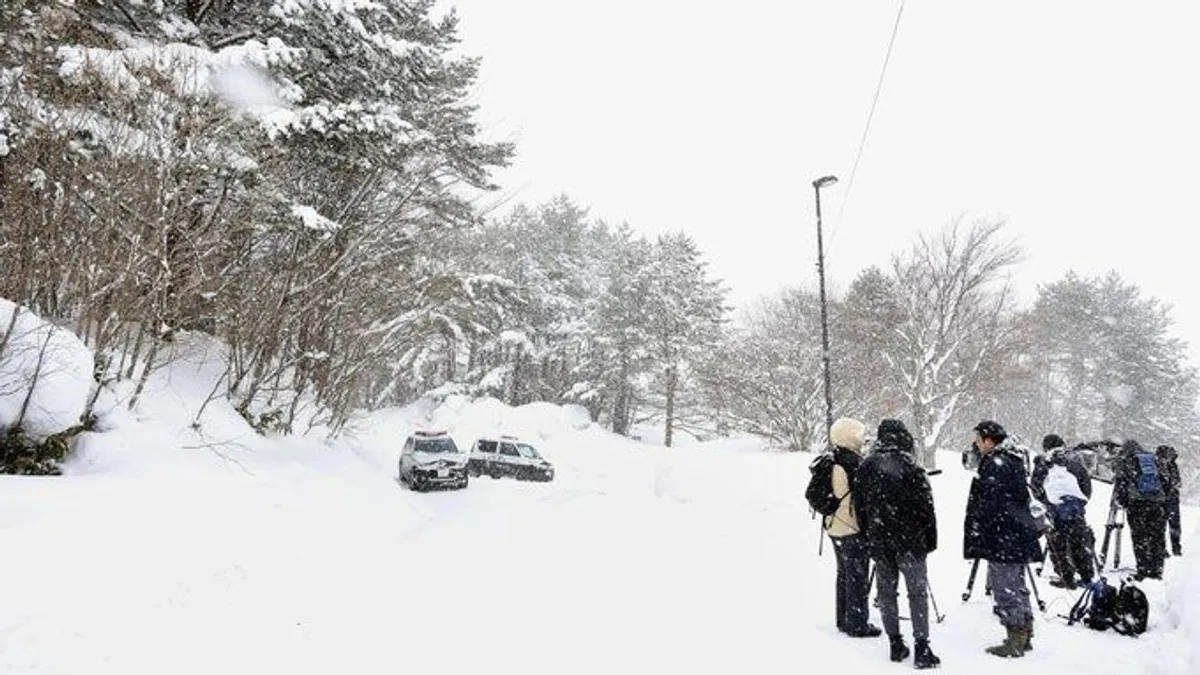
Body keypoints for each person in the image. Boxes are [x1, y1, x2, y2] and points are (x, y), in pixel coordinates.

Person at [855, 419, 940, 669]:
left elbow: (860, 507)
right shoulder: (911, 466)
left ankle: (895, 643)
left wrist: (869, 533)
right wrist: (929, 541)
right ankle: (922, 647)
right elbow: (927, 509)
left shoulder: (866, 467)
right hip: (911, 542)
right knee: (917, 594)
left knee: (887, 594)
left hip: (881, 542)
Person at [964, 420, 1043, 658]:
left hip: (1004, 536)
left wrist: (981, 528)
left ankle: (1015, 640)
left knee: (1005, 587)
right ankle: (1025, 632)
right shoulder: (1012, 459)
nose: (977, 445)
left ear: (989, 440)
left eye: (979, 440)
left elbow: (990, 503)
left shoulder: (997, 465)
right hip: (1015, 533)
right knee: (1017, 585)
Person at [824, 417, 882, 637]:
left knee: (843, 574)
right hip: (852, 528)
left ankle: (843, 618)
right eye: (860, 434)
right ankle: (857, 623)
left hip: (834, 527)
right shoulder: (853, 462)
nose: (863, 438)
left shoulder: (831, 458)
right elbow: (865, 496)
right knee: (857, 576)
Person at [1030, 433, 1096, 589]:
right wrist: (1078, 505)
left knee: (1058, 545)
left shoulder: (1043, 465)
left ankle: (1066, 577)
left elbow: (1035, 488)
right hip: (1076, 511)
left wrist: (1047, 504)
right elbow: (1086, 488)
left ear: (1046, 448)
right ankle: (1087, 576)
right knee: (1080, 542)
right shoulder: (1074, 464)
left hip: (1054, 511)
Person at [1113, 439, 1168, 579]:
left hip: (1137, 504)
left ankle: (1143, 569)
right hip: (1157, 504)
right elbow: (1166, 481)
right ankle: (1157, 570)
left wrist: (1123, 501)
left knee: (1139, 538)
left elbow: (1121, 482)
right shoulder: (1153, 459)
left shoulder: (1127, 460)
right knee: (1157, 537)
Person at [1157, 444, 1183, 557]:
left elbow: (1177, 481)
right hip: (1167, 498)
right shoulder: (1163, 465)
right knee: (1167, 524)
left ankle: (1172, 548)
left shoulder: (1171, 465)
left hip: (1167, 498)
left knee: (1166, 524)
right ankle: (1171, 548)